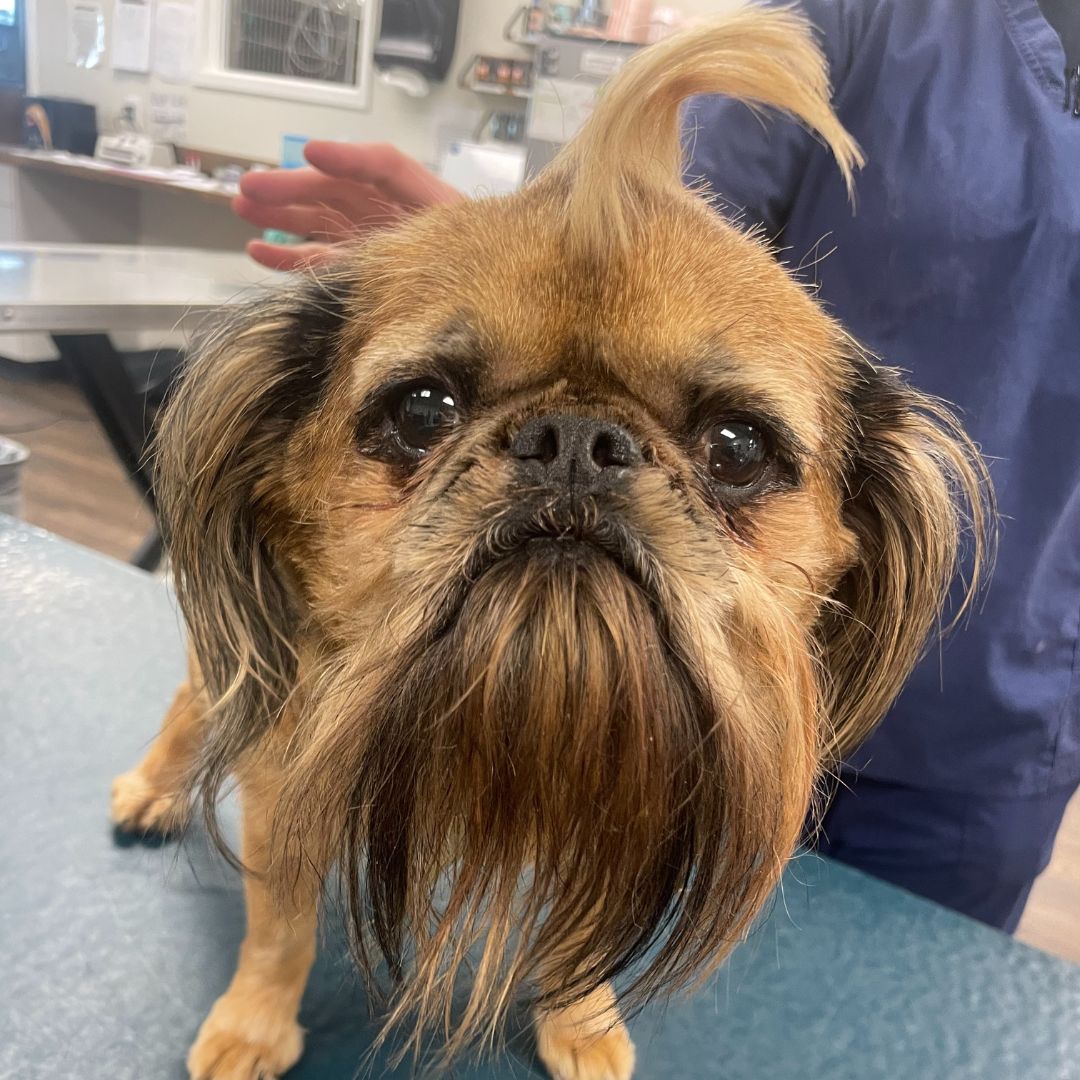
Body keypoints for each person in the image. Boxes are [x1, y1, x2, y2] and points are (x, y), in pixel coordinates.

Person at [232, 0, 1080, 933]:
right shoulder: (866, 19)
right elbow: (645, 226)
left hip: (999, 702)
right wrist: (480, 263)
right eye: (425, 416)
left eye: (732, 452)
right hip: (695, 686)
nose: (576, 465)